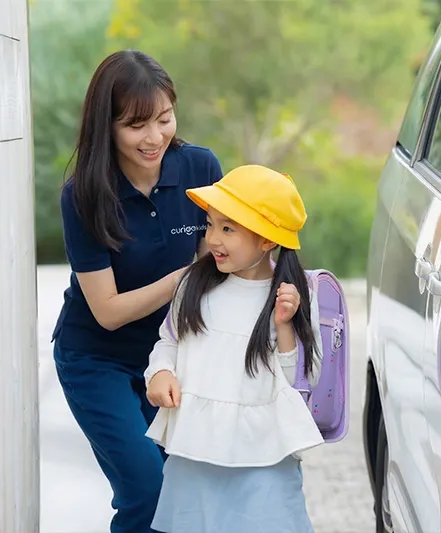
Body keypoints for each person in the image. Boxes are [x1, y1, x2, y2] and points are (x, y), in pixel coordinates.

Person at [51, 49, 223, 533]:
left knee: (183, 491)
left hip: (171, 355)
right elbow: (106, 311)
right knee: (147, 489)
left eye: (165, 119)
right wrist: (185, 276)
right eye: (135, 125)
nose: (155, 138)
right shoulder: (83, 194)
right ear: (107, 126)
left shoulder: (201, 169)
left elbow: (236, 252)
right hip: (96, 359)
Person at [143, 164, 324, 533]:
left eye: (228, 228)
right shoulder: (195, 284)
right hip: (196, 448)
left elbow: (298, 381)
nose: (213, 239)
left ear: (267, 240)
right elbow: (170, 340)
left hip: (263, 456)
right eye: (210, 224)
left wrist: (284, 325)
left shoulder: (290, 295)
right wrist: (161, 371)